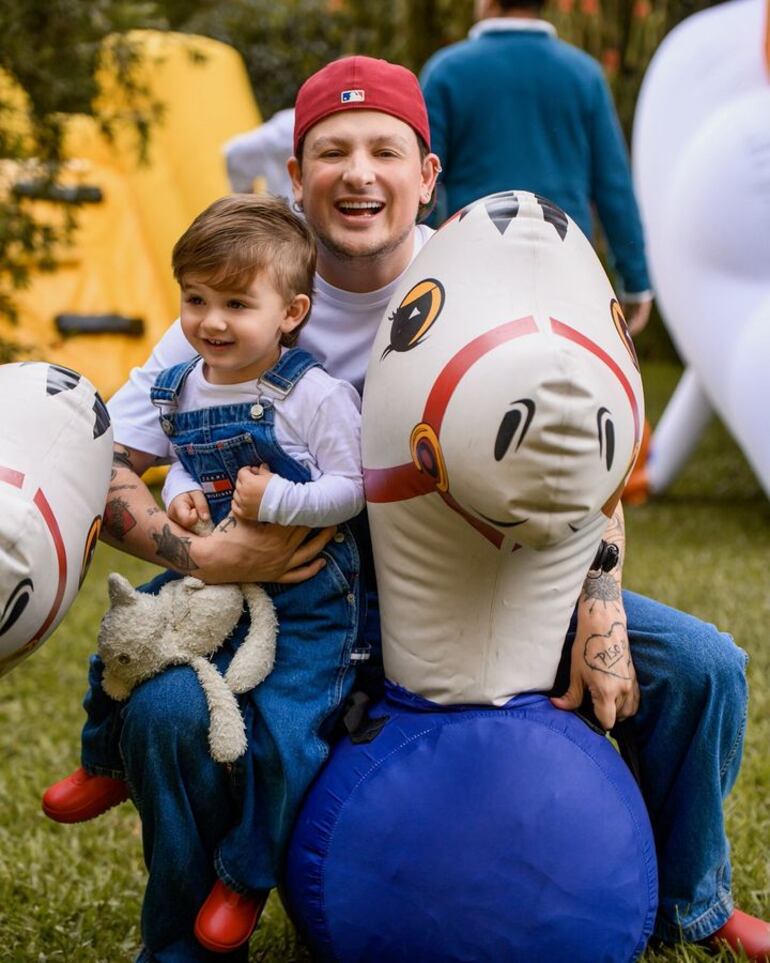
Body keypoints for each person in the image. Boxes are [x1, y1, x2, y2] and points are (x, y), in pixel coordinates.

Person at [42, 55, 769, 962]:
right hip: (297, 599)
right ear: (296, 175)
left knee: (703, 667)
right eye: (332, 150)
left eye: (385, 149)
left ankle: (692, 901)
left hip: (485, 588)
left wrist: (602, 602)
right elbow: (107, 466)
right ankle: (185, 938)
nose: (358, 172)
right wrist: (204, 559)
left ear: (426, 176)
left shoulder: (488, 282)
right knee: (167, 715)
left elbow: (584, 441)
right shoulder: (241, 299)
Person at [420, 0, 653, 336]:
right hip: (565, 266)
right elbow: (613, 187)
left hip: (473, 266)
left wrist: (415, 269)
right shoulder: (584, 74)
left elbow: (421, 185)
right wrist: (635, 282)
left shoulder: (447, 71)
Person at [223, 108, 296, 203]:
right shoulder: (288, 125)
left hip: (285, 210)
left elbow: (235, 153)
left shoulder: (286, 125)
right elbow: (235, 152)